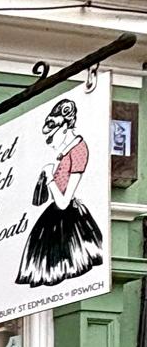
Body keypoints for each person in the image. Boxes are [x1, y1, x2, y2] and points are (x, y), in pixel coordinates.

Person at [17, 97, 105, 288]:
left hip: (67, 220)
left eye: (51, 134)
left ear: (64, 127)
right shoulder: (65, 149)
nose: (49, 141)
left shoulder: (78, 150)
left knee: (57, 266)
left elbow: (64, 202)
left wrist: (49, 177)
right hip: (55, 215)